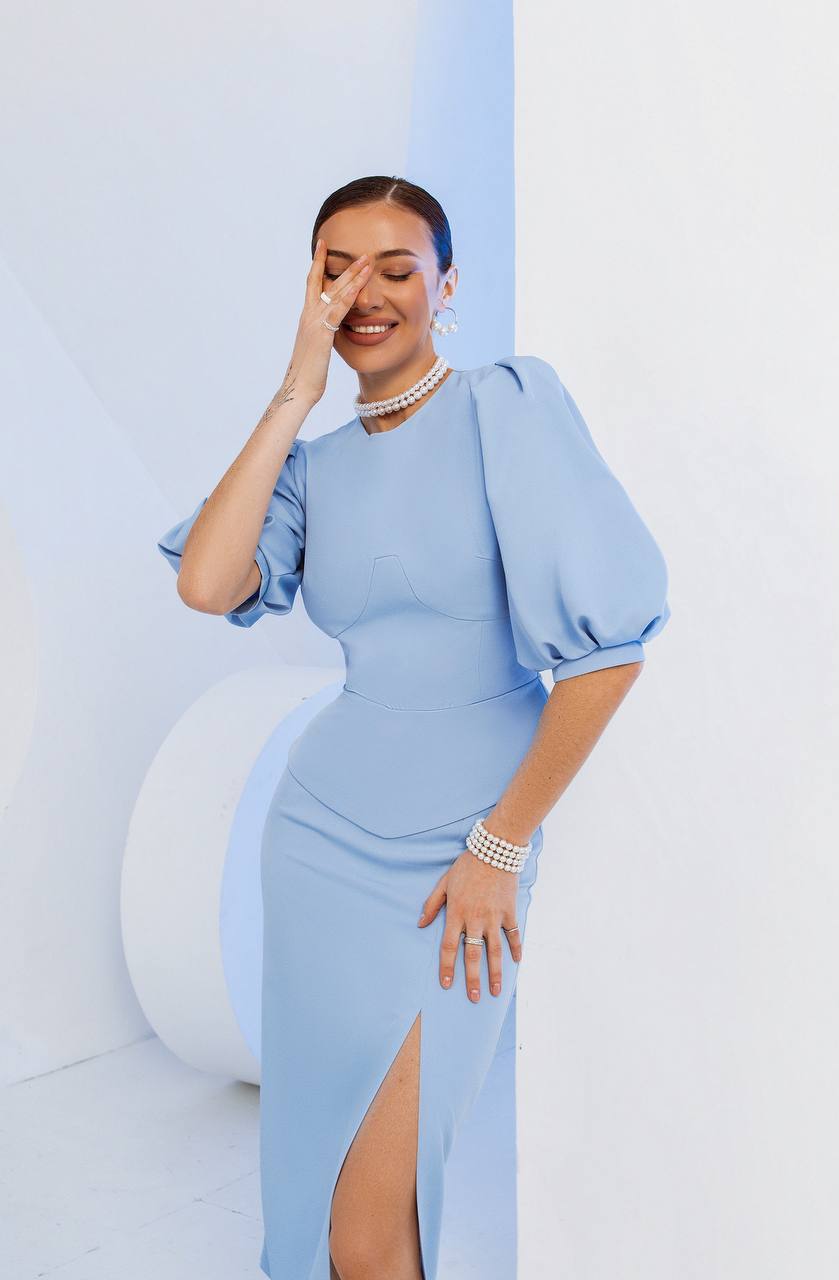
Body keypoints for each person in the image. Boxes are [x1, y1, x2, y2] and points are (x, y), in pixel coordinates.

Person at [157, 174, 671, 1280]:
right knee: (324, 1202)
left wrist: (500, 843)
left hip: (456, 861)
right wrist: (297, 388)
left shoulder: (505, 407)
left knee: (376, 1224)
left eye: (397, 267)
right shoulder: (314, 467)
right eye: (337, 269)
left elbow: (609, 652)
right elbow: (207, 583)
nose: (367, 291)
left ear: (448, 283)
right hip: (317, 846)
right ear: (312, 289)